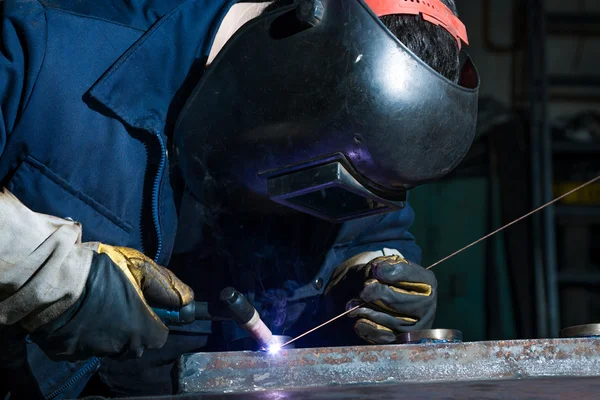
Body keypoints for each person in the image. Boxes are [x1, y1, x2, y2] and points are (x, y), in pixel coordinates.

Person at [0, 0, 478, 398]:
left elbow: (376, 232)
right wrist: (43, 270)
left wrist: (371, 277)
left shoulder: (350, 122)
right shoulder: (46, 44)